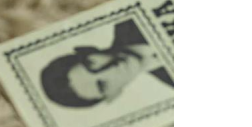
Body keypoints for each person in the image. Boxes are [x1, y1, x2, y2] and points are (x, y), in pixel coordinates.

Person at [40, 19, 173, 108]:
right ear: (113, 96)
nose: (110, 70)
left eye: (92, 64)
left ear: (88, 49)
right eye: (102, 85)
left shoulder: (129, 20)